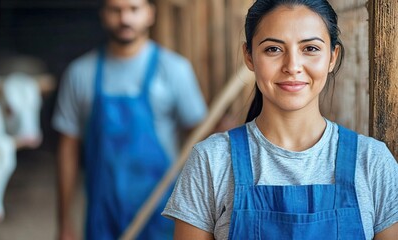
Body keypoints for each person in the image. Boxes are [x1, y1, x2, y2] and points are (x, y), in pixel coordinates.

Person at [162, 0, 398, 239]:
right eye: (273, 49)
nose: (292, 66)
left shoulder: (372, 162)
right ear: (249, 56)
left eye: (310, 49)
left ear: (332, 57)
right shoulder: (211, 160)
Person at [52, 0, 207, 239]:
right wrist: (64, 222)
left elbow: (201, 141)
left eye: (134, 9)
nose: (125, 19)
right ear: (104, 15)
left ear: (149, 14)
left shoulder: (174, 69)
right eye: (116, 10)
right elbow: (67, 149)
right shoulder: (80, 73)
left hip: (163, 215)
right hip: (102, 215)